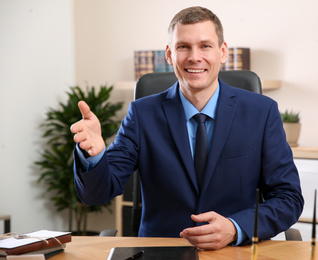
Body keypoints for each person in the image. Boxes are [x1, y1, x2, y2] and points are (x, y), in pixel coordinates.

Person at [71, 6, 304, 250]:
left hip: (234, 252)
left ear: (222, 52)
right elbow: (96, 194)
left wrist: (236, 228)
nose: (194, 57)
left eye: (205, 46)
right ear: (170, 55)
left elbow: (288, 199)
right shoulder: (142, 115)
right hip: (161, 253)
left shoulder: (261, 112)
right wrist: (95, 155)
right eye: (184, 47)